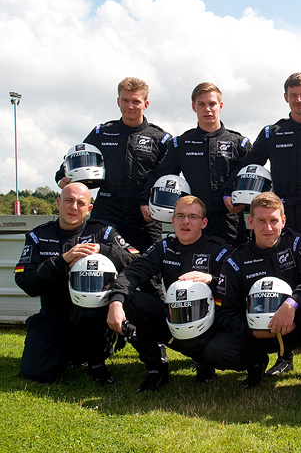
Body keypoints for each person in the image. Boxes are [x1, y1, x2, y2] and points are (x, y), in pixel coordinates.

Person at [222, 72, 301, 376]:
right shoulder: (272, 133)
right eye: (293, 95)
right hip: (282, 213)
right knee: (280, 278)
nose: (298, 100)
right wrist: (230, 190)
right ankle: (284, 354)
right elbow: (248, 164)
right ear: (286, 98)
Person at [204, 192, 301, 402]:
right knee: (215, 351)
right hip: (256, 335)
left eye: (273, 221)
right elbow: (225, 311)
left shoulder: (297, 243)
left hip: (293, 328)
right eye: (261, 221)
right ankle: (255, 363)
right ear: (251, 222)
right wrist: (251, 332)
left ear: (283, 221)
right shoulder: (236, 260)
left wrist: (292, 304)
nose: (268, 228)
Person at [14, 183, 138, 384]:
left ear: (89, 208)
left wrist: (104, 250)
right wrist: (62, 261)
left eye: (81, 203)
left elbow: (137, 261)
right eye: (69, 200)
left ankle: (96, 362)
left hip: (94, 314)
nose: (74, 207)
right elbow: (25, 281)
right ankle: (70, 353)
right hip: (54, 313)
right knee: (35, 372)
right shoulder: (38, 236)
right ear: (58, 202)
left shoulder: (103, 232)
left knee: (89, 313)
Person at [106, 195, 231, 392]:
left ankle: (203, 360)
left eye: (193, 217)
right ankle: (156, 368)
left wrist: (211, 279)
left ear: (204, 222)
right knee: (134, 301)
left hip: (210, 326)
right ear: (172, 221)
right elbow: (133, 271)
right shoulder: (164, 248)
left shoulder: (218, 249)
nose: (185, 221)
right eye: (180, 216)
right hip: (174, 319)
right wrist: (116, 301)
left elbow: (234, 284)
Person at [55, 77, 170, 254]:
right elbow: (71, 161)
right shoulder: (102, 133)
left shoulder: (160, 139)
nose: (130, 106)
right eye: (125, 100)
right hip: (107, 212)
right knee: (99, 262)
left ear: (145, 104)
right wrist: (61, 179)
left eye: (136, 101)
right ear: (118, 101)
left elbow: (168, 175)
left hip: (143, 214)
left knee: (149, 266)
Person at [141, 82, 251, 245]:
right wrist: (145, 201)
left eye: (212, 104)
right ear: (194, 107)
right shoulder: (181, 143)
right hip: (194, 222)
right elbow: (160, 174)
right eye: (202, 104)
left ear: (220, 106)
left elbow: (251, 179)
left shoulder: (239, 143)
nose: (207, 109)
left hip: (231, 223)